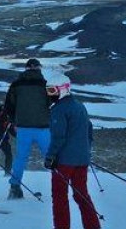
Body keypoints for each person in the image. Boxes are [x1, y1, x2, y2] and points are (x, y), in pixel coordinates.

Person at [45, 76, 100, 229]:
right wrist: (85, 152)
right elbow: (89, 131)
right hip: (81, 160)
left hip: (64, 162)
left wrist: (50, 156)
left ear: (63, 89)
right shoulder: (80, 106)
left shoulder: (59, 109)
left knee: (59, 196)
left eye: (52, 90)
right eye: (48, 91)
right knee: (81, 195)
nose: (50, 94)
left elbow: (58, 137)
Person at [3, 58, 52, 199]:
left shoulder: (16, 84)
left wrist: (14, 122)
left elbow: (8, 106)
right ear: (35, 68)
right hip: (43, 127)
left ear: (27, 68)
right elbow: (52, 105)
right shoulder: (45, 85)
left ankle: (15, 187)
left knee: (20, 158)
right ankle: (61, 184)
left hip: (23, 127)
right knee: (51, 156)